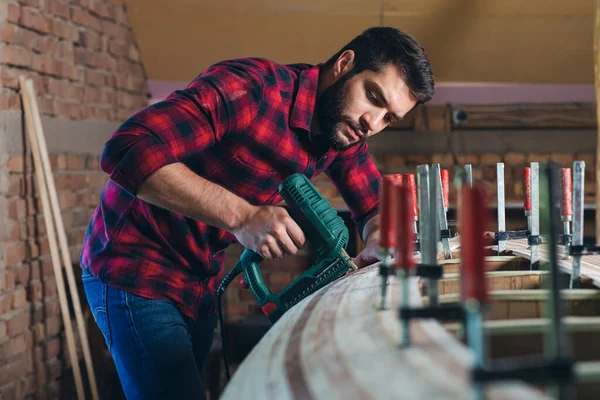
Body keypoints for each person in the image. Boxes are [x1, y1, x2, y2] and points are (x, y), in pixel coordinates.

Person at [80, 26, 434, 399]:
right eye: (374, 97)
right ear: (345, 64)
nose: (372, 123)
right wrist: (244, 217)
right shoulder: (252, 88)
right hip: (134, 267)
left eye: (388, 118)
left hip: (199, 277)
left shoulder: (341, 128)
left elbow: (375, 205)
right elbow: (126, 150)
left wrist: (379, 239)